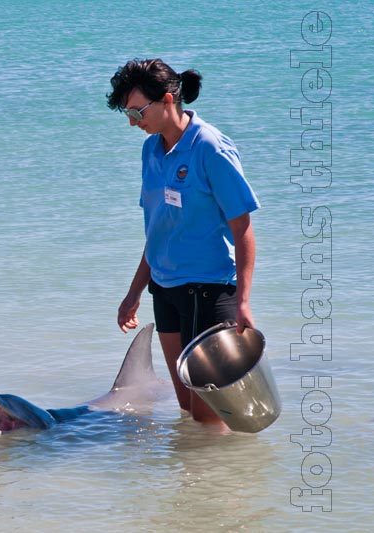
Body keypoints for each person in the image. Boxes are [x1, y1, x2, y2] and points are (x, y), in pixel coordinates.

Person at [107, 58, 259, 427]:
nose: (132, 121)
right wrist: (134, 292)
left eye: (137, 111)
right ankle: (191, 484)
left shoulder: (211, 148)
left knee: (212, 414)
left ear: (168, 100)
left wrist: (243, 302)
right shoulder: (151, 151)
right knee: (189, 410)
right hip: (166, 290)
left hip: (209, 291)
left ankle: (221, 484)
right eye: (126, 112)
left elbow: (243, 229)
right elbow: (159, 229)